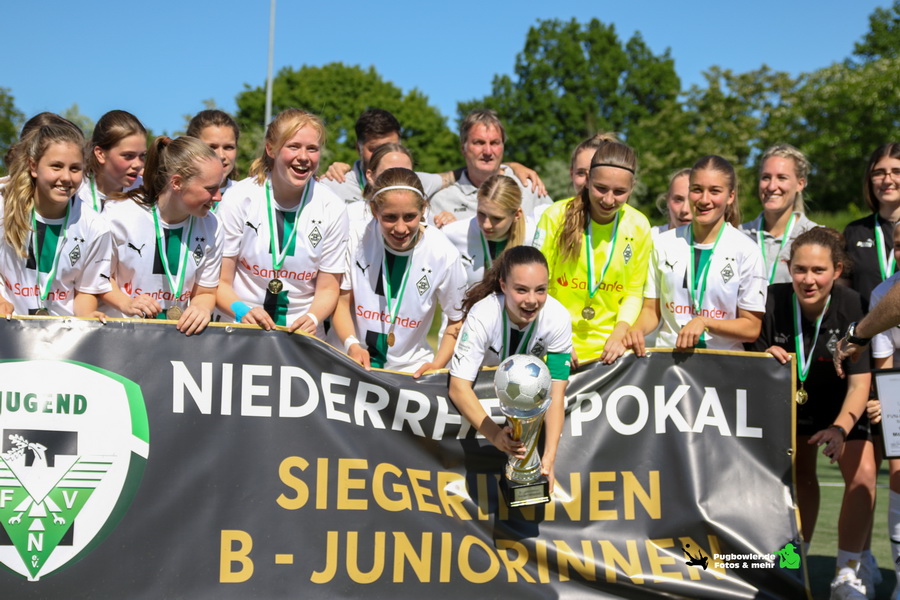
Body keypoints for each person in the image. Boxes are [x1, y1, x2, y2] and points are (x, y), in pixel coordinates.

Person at [749, 227, 873, 600]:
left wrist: (840, 429)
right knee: (801, 475)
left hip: (841, 404)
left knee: (864, 475)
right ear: (788, 267)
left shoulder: (852, 304)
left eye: (819, 270)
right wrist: (762, 358)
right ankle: (794, 564)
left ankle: (847, 574)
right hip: (791, 404)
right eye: (800, 269)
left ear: (837, 270)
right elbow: (748, 362)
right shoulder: (772, 299)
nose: (808, 279)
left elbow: (859, 384)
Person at [215, 109, 348, 336]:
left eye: (312, 148)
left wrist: (313, 317)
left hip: (298, 336)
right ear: (271, 149)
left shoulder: (332, 207)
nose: (304, 157)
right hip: (239, 329)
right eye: (293, 146)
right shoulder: (240, 197)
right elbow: (219, 282)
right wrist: (242, 311)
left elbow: (328, 288)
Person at [448, 245, 572, 488]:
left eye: (541, 290)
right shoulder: (483, 314)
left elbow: (556, 393)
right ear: (503, 285)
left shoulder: (558, 317)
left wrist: (549, 458)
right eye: (521, 290)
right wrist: (495, 435)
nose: (532, 300)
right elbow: (458, 387)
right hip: (481, 413)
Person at [331, 167, 466, 376]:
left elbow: (456, 319)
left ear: (423, 209)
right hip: (353, 363)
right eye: (390, 217)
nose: (401, 228)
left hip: (408, 373)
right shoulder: (356, 237)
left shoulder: (443, 253)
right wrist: (352, 345)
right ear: (374, 210)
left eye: (410, 216)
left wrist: (438, 364)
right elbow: (340, 302)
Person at [625, 155, 766, 353]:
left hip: (723, 363)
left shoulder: (747, 250)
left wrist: (705, 322)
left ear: (730, 196)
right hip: (669, 361)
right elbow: (651, 311)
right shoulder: (662, 244)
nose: (704, 200)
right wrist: (636, 330)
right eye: (697, 190)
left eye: (715, 191)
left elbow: (751, 327)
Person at [534, 139, 651, 364]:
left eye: (620, 191)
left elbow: (633, 292)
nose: (608, 200)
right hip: (553, 342)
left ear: (632, 187)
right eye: (601, 188)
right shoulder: (555, 217)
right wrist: (556, 336)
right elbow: (537, 285)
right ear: (587, 180)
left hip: (611, 352)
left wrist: (620, 334)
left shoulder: (639, 225)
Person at [322, 108, 545, 225]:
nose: (386, 157)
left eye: (495, 143)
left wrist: (509, 166)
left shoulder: (528, 184)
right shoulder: (334, 183)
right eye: (479, 143)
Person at [100, 136, 224, 336]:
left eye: (220, 187)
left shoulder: (212, 225)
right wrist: (126, 303)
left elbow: (206, 292)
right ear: (177, 183)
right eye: (210, 189)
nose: (218, 197)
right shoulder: (119, 216)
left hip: (175, 339)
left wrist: (201, 308)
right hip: (122, 337)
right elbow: (99, 279)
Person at [0, 122, 112, 317]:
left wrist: (86, 316)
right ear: (33, 166)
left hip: (61, 333)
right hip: (8, 329)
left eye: (75, 168)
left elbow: (86, 290)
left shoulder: (96, 227)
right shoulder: (4, 208)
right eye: (56, 166)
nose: (66, 177)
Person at [429, 109, 551, 226]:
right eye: (479, 142)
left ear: (503, 147)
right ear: (463, 148)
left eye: (494, 143)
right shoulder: (440, 200)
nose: (488, 151)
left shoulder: (529, 188)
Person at [863, 221, 900, 600]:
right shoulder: (881, 294)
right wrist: (883, 401)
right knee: (899, 475)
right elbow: (885, 367)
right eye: (899, 245)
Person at [740, 144, 819, 285]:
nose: (771, 186)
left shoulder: (816, 237)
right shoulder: (740, 235)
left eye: (782, 178)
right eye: (766, 177)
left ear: (800, 184)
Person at [441, 173, 534, 291]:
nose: (486, 224)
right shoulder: (451, 234)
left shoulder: (534, 239)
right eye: (481, 214)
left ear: (517, 215)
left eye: (497, 218)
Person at [77, 110, 147, 212]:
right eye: (128, 156)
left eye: (142, 155)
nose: (138, 164)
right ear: (100, 154)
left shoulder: (145, 192)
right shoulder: (77, 192)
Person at [186, 109, 240, 196]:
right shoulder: (175, 196)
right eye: (212, 147)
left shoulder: (247, 195)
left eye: (228, 147)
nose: (221, 155)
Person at [651, 168, 692, 238]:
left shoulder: (712, 242)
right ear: (667, 200)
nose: (684, 210)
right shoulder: (651, 237)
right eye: (678, 199)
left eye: (692, 201)